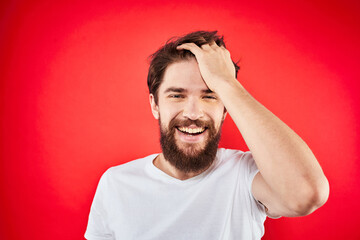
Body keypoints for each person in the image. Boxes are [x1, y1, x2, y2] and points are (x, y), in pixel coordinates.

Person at [84, 31, 329, 240]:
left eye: (209, 96)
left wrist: (226, 83)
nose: (192, 113)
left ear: (225, 110)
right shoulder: (115, 183)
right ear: (155, 105)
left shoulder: (245, 176)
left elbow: (307, 194)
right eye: (177, 95)